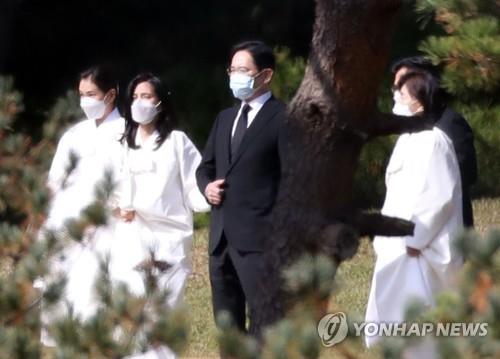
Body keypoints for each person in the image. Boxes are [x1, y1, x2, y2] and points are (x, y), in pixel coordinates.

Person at [365, 71, 464, 357]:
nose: (396, 99)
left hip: (419, 249)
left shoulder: (434, 140)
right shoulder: (408, 138)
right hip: (395, 245)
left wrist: (414, 239)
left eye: (402, 95)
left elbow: (438, 197)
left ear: (418, 101)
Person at [196, 40, 288, 336]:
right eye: (232, 69)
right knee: (229, 329)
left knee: (265, 325)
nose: (236, 76)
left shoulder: (284, 118)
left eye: (243, 70)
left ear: (266, 75)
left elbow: (293, 178)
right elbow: (205, 168)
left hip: (260, 241)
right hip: (220, 241)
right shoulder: (225, 119)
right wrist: (207, 187)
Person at [41, 65, 125, 345]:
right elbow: (55, 182)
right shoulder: (74, 135)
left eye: (92, 94)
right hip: (70, 228)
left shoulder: (127, 133)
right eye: (81, 94)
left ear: (110, 94)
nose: (85, 100)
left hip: (111, 229)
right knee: (69, 298)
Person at [392, 56, 477, 227]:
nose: (396, 92)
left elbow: (465, 173)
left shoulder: (449, 123)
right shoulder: (410, 126)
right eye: (395, 87)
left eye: (402, 86)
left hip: (446, 227)